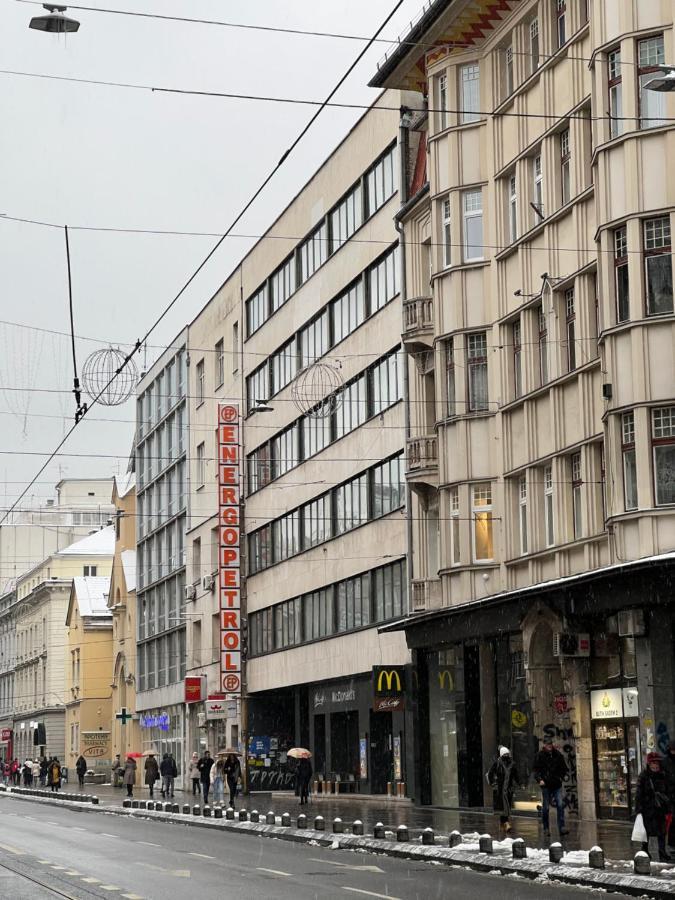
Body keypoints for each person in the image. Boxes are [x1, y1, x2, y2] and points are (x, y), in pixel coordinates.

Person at [636, 751, 671, 861]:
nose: (655, 765)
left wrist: (667, 805)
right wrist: (639, 809)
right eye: (653, 763)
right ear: (649, 764)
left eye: (657, 763)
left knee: (662, 831)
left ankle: (662, 852)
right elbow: (639, 794)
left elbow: (668, 791)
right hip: (648, 808)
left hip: (660, 808)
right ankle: (645, 850)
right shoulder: (644, 776)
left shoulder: (663, 775)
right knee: (646, 831)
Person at [533, 737, 569, 836]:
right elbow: (536, 770)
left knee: (560, 805)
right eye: (547, 744)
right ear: (544, 745)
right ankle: (546, 828)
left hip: (556, 783)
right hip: (546, 785)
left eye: (550, 744)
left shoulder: (558, 755)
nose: (549, 745)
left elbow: (564, 768)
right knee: (546, 808)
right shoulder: (539, 756)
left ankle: (561, 827)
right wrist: (540, 780)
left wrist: (561, 777)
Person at [488, 746, 521, 833]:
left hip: (508, 789)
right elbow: (490, 774)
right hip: (500, 789)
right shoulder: (497, 763)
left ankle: (503, 824)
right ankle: (506, 823)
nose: (507, 755)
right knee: (503, 807)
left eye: (507, 754)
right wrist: (493, 784)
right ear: (502, 754)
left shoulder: (512, 764)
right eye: (505, 754)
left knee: (506, 807)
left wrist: (520, 783)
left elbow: (515, 775)